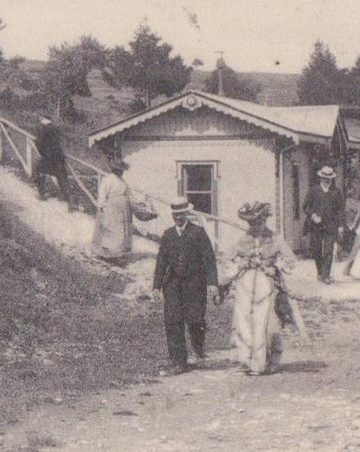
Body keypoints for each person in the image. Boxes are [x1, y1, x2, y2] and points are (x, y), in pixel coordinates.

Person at [221, 202, 298, 376]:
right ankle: (246, 360)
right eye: (252, 224)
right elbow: (227, 258)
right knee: (244, 320)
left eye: (258, 223)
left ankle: (264, 361)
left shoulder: (275, 239)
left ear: (264, 220)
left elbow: (289, 260)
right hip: (246, 285)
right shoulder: (243, 240)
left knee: (264, 321)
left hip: (265, 283)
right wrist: (240, 265)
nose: (255, 227)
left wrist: (276, 266)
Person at [152, 198, 219, 375]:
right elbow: (161, 262)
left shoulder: (198, 233)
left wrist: (213, 283)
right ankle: (178, 362)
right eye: (175, 215)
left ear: (187, 214)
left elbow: (210, 259)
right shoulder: (168, 235)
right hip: (173, 284)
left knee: (195, 319)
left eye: (181, 214)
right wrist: (156, 286)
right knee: (173, 320)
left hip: (195, 283)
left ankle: (198, 347)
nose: (178, 218)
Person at [301, 165, 347, 283]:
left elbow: (341, 210)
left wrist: (341, 225)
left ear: (332, 179)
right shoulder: (313, 190)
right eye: (324, 178)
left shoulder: (336, 192)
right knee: (316, 250)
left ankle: (326, 275)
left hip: (331, 225)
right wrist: (313, 215)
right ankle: (320, 272)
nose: (327, 180)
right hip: (316, 225)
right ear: (320, 178)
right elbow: (306, 206)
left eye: (329, 178)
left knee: (328, 250)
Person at [91, 159, 138, 262]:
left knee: (123, 230)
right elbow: (103, 194)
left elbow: (129, 193)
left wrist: (134, 202)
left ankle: (120, 253)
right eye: (119, 170)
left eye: (122, 170)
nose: (121, 172)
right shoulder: (108, 180)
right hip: (112, 209)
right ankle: (109, 255)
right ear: (114, 170)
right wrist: (102, 206)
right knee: (113, 230)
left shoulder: (122, 181)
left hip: (124, 210)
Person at [32, 116, 77, 210]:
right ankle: (70, 202)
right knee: (63, 177)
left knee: (37, 170)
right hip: (59, 157)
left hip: (49, 158)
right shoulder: (55, 128)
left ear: (42, 120)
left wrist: (40, 150)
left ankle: (42, 194)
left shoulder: (43, 129)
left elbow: (39, 144)